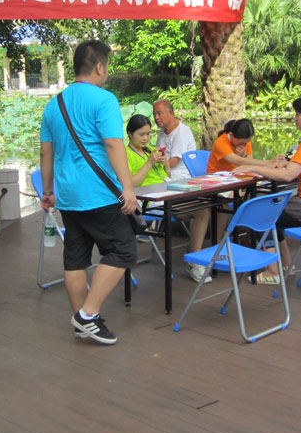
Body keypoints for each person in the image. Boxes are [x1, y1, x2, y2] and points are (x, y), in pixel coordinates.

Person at [40, 39, 137, 345]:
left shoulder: (53, 105)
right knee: (123, 249)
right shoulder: (104, 100)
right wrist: (127, 187)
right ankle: (88, 315)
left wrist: (48, 190)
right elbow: (113, 144)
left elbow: (45, 153)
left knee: (76, 258)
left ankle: (82, 322)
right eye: (107, 67)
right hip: (99, 194)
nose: (107, 72)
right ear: (98, 67)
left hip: (68, 196)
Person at [234, 94, 301, 281]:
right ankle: (286, 265)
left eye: (298, 114)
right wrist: (286, 164)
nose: (295, 118)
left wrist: (252, 167)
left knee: (261, 216)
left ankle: (272, 272)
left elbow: (288, 176)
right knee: (275, 211)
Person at [184, 118, 281, 284]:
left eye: (247, 142)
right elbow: (240, 162)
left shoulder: (245, 142)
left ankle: (253, 244)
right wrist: (269, 163)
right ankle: (218, 245)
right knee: (226, 203)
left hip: (238, 181)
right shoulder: (221, 143)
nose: (244, 144)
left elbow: (248, 160)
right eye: (241, 142)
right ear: (231, 135)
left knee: (259, 200)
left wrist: (245, 155)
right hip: (217, 184)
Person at [153, 100, 196, 180]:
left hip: (181, 175)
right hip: (166, 171)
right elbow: (158, 154)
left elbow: (173, 163)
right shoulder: (162, 131)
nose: (156, 118)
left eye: (159, 114)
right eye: (154, 114)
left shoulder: (182, 131)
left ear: (171, 113)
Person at [125, 114, 168, 187]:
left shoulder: (151, 151)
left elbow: (167, 177)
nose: (145, 138)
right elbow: (130, 184)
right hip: (149, 191)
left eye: (148, 134)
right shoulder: (125, 154)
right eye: (141, 134)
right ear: (130, 134)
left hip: (166, 187)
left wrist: (166, 165)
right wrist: (149, 163)